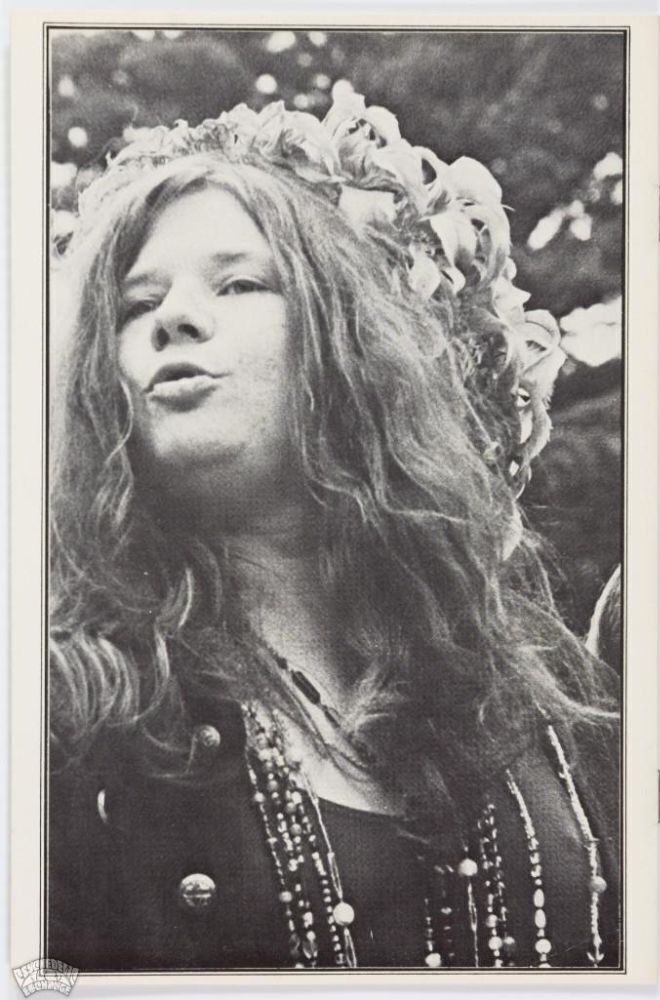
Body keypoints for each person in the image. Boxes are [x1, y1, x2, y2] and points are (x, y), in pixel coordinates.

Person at [48, 92, 620, 971]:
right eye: (135, 304)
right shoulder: (58, 707)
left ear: (354, 344)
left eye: (240, 283)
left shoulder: (541, 691)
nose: (174, 318)